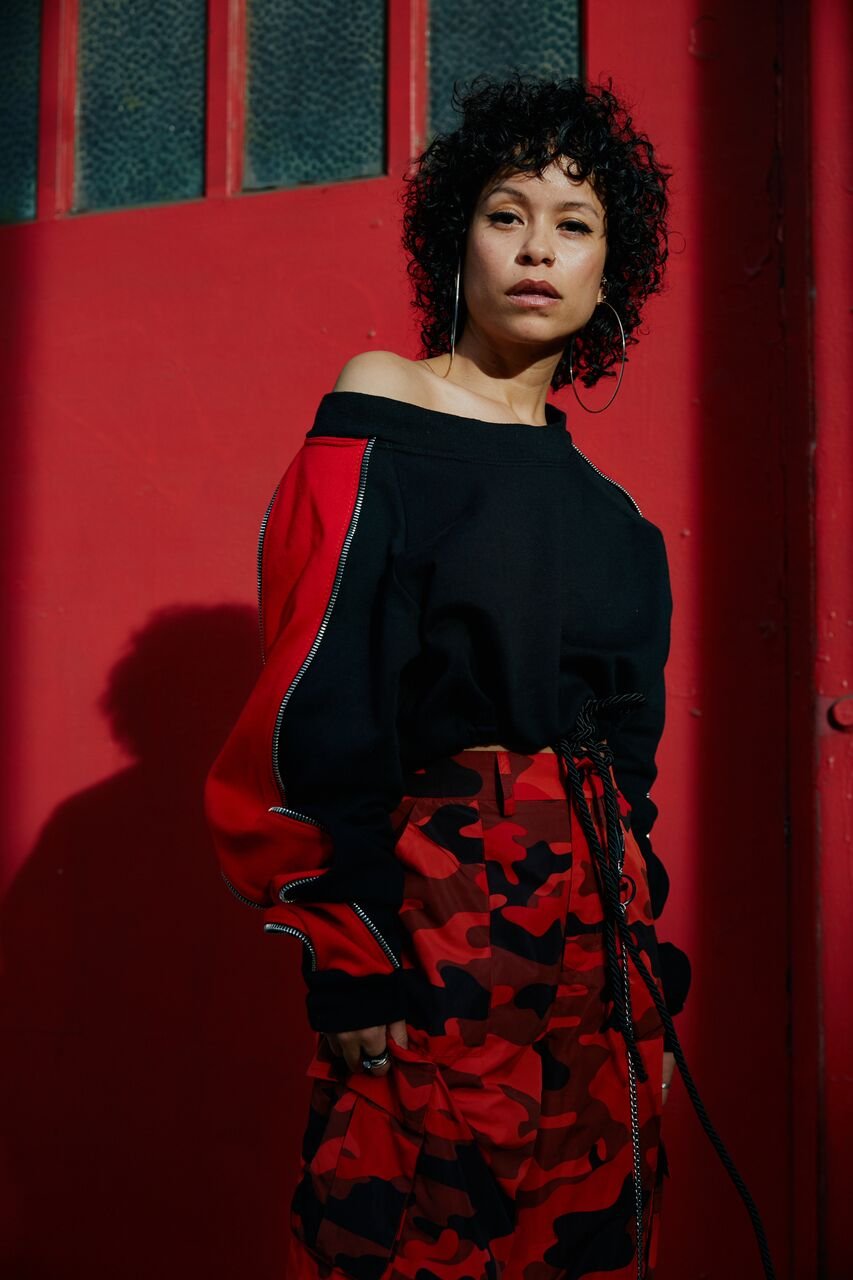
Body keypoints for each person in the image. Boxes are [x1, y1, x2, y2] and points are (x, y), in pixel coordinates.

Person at [204, 72, 775, 1280]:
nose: (537, 248)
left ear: (607, 275)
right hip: (433, 926)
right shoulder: (383, 412)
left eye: (575, 226)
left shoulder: (614, 521)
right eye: (505, 212)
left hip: (599, 966)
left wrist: (647, 975)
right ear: (453, 237)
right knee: (409, 1243)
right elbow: (318, 691)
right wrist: (348, 953)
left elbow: (632, 769)